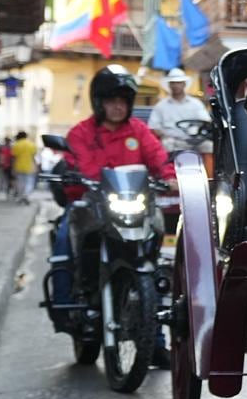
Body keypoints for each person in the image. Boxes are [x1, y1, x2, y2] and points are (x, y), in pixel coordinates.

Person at [58, 65, 175, 367]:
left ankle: (156, 339)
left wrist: (170, 176)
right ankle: (75, 298)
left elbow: (159, 160)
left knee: (155, 261)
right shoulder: (81, 132)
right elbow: (73, 162)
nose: (117, 106)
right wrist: (70, 175)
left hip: (133, 207)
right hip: (94, 207)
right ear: (99, 102)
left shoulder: (138, 130)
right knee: (67, 232)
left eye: (123, 100)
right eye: (111, 100)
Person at [148, 68, 212, 156]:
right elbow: (153, 127)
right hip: (172, 141)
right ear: (169, 85)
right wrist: (164, 134)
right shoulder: (161, 106)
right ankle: (170, 169)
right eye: (173, 83)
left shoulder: (196, 103)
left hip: (194, 140)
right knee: (166, 145)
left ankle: (208, 170)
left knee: (209, 146)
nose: (176, 85)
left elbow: (206, 121)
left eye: (178, 82)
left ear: (184, 84)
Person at [11, 131, 37, 205]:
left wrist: (13, 167)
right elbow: (33, 156)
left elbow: (14, 157)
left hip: (18, 166)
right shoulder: (31, 144)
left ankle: (21, 196)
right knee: (29, 182)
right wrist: (35, 166)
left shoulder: (16, 145)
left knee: (20, 182)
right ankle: (26, 195)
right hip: (29, 166)